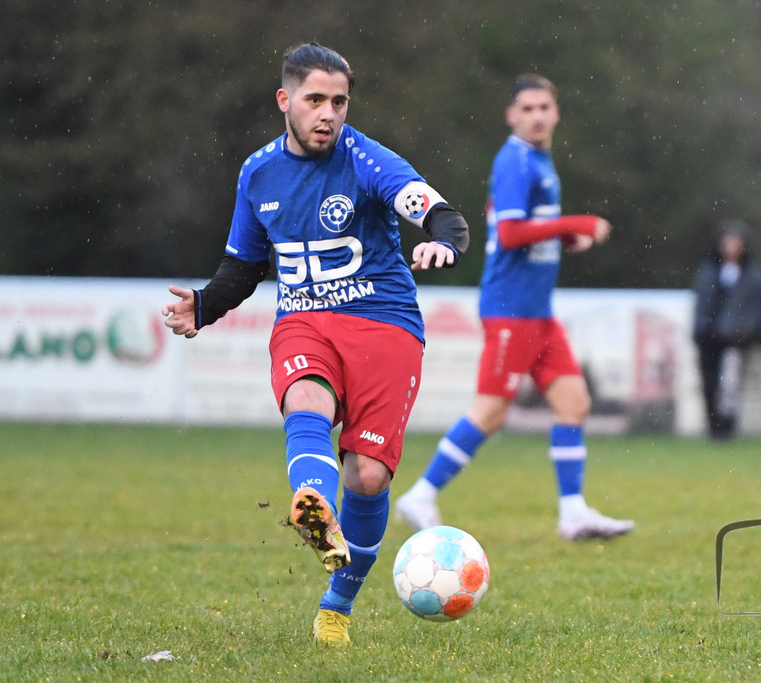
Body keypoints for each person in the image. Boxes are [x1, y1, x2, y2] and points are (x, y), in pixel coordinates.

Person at [161, 43, 469, 646]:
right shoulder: (258, 173)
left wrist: (443, 243)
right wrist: (205, 304)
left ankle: (337, 603)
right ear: (285, 101)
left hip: (385, 322)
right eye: (314, 100)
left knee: (370, 479)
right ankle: (314, 506)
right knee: (306, 399)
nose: (328, 113)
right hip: (305, 320)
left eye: (339, 101)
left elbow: (439, 213)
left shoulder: (368, 161)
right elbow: (243, 268)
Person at [395, 74, 634, 541]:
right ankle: (420, 494)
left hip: (537, 312)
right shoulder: (515, 161)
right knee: (490, 412)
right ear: (512, 116)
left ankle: (573, 513)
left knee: (574, 403)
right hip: (510, 310)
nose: (538, 115)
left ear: (557, 112)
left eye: (544, 106)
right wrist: (578, 222)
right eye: (527, 108)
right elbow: (509, 234)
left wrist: (565, 235)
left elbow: (528, 228)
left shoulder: (539, 161)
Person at [690, 219, 761, 440]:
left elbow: (754, 306)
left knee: (730, 385)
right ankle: (714, 427)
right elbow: (703, 302)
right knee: (709, 384)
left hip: (734, 338)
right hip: (708, 336)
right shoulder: (709, 270)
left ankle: (727, 427)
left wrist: (743, 331)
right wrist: (703, 328)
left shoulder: (751, 273)